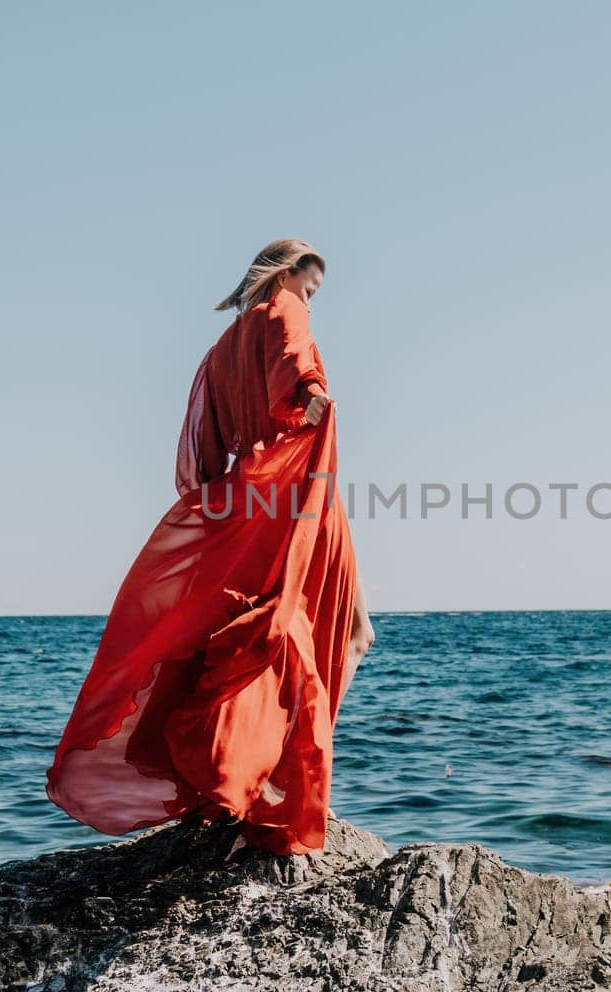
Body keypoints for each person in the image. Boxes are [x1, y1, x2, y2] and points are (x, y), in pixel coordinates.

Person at [45, 238, 375, 856]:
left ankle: (262, 771)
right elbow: (294, 356)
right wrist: (309, 396)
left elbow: (201, 456)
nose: (309, 300)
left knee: (277, 628)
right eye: (311, 286)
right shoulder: (282, 307)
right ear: (287, 271)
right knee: (332, 633)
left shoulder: (219, 352)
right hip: (296, 494)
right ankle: (276, 775)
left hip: (245, 501)